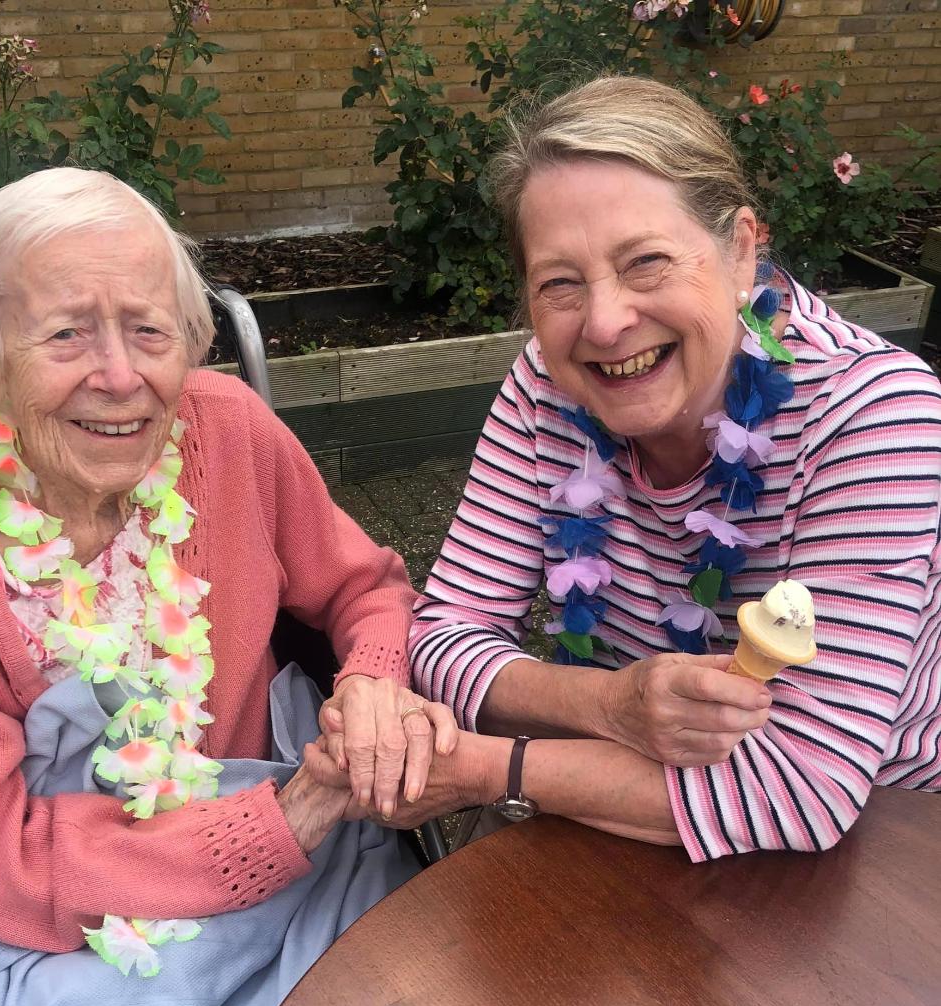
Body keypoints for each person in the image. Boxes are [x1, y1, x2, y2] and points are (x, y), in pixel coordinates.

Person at [0, 167, 457, 1006]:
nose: (122, 377)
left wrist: (373, 686)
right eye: (66, 334)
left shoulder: (233, 432)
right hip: (37, 931)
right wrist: (279, 823)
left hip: (296, 864)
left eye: (150, 330)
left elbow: (366, 588)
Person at [312, 75, 941, 857]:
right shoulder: (547, 383)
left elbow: (802, 790)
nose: (605, 323)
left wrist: (487, 768)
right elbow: (441, 640)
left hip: (884, 839)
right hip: (626, 805)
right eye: (560, 283)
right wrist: (610, 702)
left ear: (741, 249)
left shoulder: (875, 411)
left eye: (646, 262)